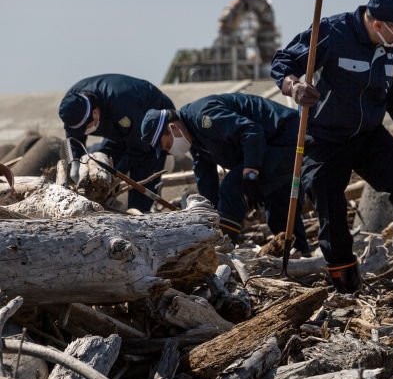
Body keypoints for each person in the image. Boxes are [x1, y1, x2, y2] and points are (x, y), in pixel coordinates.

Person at [270, 0, 393, 293]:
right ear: (377, 24)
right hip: (325, 137)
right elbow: (282, 61)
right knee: (328, 197)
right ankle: (345, 278)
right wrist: (294, 86)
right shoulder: (333, 31)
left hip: (367, 134)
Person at [139, 94, 310, 254]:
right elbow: (206, 179)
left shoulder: (204, 117)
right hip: (270, 148)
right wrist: (210, 214)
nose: (169, 152)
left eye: (167, 145)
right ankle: (302, 257)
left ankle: (223, 248)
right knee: (279, 214)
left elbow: (251, 132)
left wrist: (250, 173)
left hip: (287, 136)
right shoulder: (197, 143)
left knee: (232, 186)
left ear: (173, 128)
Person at [58, 74, 174, 212]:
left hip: (150, 119)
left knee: (142, 168)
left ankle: (140, 214)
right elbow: (74, 142)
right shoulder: (72, 105)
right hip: (117, 126)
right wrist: (75, 166)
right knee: (103, 164)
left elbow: (138, 148)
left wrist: (116, 175)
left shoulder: (121, 102)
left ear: (95, 112)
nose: (85, 132)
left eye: (86, 128)